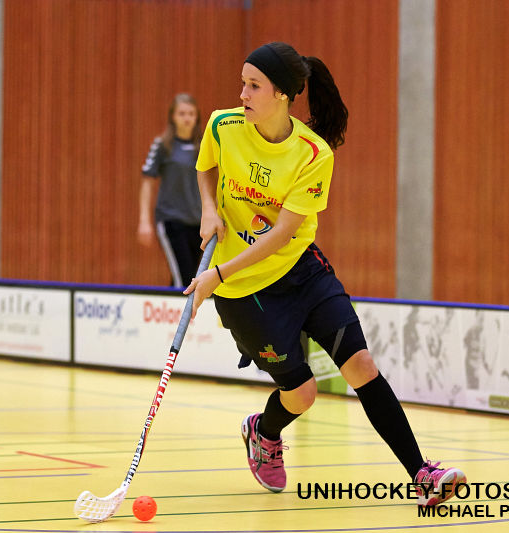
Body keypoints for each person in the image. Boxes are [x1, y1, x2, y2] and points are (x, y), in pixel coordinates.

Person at [184, 42, 466, 506]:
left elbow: (282, 234)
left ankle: (422, 474)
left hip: (299, 272)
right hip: (246, 293)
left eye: (254, 86)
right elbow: (206, 167)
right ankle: (263, 431)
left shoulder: (313, 154)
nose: (242, 94)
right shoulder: (223, 125)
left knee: (362, 366)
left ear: (282, 94)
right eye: (243, 83)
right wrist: (209, 209)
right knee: (302, 394)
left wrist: (216, 272)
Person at [138, 93, 203, 287]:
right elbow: (147, 181)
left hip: (198, 223)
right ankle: (181, 308)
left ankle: (172, 307)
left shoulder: (204, 147)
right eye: (182, 113)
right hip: (171, 220)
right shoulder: (162, 145)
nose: (187, 118)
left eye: (191, 113)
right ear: (173, 117)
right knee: (184, 278)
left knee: (187, 277)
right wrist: (144, 220)